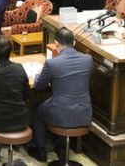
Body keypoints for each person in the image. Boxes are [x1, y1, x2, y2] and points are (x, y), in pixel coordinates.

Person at [28, 27, 93, 163]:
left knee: (37, 110)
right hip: (84, 112)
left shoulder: (52, 63)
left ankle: (40, 150)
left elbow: (40, 85)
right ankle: (61, 147)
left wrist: (37, 74)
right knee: (60, 106)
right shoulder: (88, 60)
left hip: (61, 113)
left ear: (56, 44)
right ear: (73, 43)